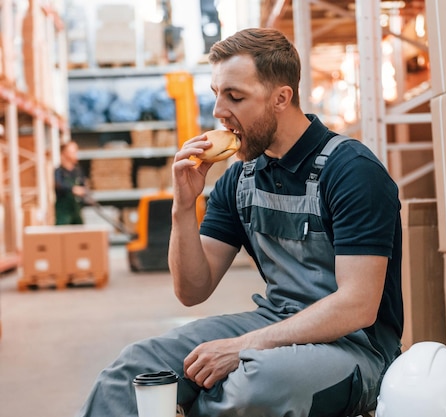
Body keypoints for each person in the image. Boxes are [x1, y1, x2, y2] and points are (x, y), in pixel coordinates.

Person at [77, 27, 403, 417]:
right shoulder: (239, 179)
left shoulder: (351, 171)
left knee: (254, 385)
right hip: (275, 323)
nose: (218, 112)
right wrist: (183, 206)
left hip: (355, 348)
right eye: (217, 94)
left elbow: (357, 307)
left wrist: (245, 345)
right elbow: (192, 289)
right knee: (134, 370)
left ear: (281, 97)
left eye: (235, 96)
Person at [54, 140, 87, 225]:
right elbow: (58, 185)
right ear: (64, 153)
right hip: (63, 213)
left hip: (76, 210)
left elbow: (83, 185)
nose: (76, 154)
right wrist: (72, 189)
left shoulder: (78, 171)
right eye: (73, 151)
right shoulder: (59, 171)